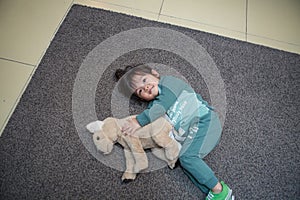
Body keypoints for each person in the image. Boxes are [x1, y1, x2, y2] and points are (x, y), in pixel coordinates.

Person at [115, 64, 234, 200]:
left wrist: (139, 121)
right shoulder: (154, 107)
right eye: (140, 91)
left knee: (188, 158)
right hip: (192, 132)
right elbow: (161, 125)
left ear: (155, 73)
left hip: (204, 120)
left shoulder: (169, 83)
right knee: (185, 163)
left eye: (144, 80)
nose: (146, 88)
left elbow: (161, 106)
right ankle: (214, 194)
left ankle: (219, 190)